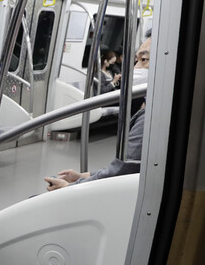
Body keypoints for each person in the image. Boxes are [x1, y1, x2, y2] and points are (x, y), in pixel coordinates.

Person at [45, 34, 153, 191]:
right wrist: (83, 176)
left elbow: (121, 172)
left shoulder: (149, 118)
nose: (135, 68)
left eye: (144, 60)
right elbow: (119, 168)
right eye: (136, 60)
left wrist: (71, 187)